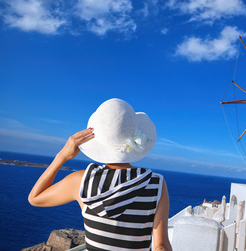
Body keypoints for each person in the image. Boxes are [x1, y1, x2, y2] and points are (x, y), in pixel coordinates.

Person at [28, 98, 172, 251]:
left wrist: (62, 156)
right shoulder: (156, 184)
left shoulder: (82, 181)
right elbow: (161, 246)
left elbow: (35, 198)